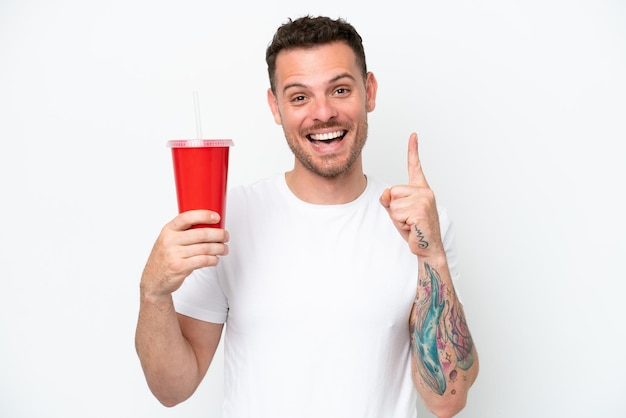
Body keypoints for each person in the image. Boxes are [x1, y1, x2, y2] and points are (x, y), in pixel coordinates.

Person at [135, 15, 479, 418]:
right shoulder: (227, 219)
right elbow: (172, 389)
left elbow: (447, 400)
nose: (323, 113)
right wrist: (153, 292)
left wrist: (432, 254)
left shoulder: (418, 227)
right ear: (275, 107)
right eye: (299, 97)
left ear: (369, 92)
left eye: (340, 89)